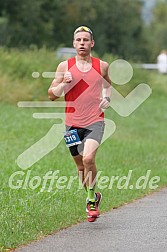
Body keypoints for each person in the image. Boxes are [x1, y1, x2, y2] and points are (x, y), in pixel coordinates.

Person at [48, 26, 111, 222]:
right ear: (74, 44)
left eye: (86, 40)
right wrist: (63, 84)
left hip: (95, 120)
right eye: (78, 40)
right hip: (72, 124)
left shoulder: (102, 66)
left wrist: (107, 98)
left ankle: (91, 201)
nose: (82, 43)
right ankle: (94, 195)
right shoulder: (64, 66)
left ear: (92, 43)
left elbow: (108, 85)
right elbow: (51, 95)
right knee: (80, 167)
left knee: (88, 159)